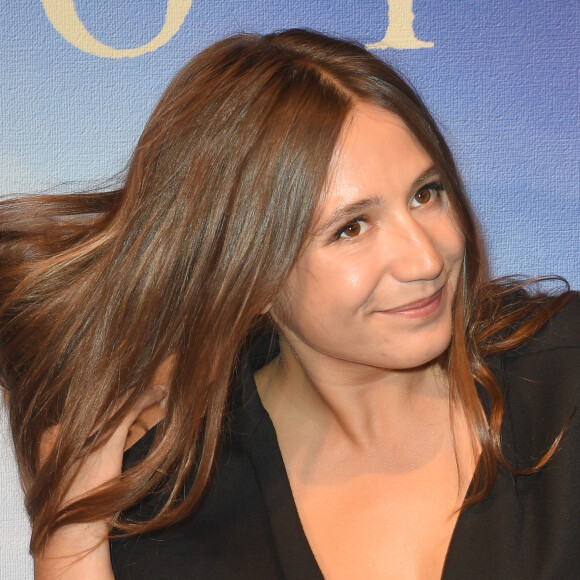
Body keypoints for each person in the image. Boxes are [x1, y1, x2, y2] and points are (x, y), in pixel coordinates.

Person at [0, 29, 577, 580]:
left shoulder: (563, 379)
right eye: (351, 228)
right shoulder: (172, 508)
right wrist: (69, 540)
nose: (425, 258)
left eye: (426, 194)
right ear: (249, 275)